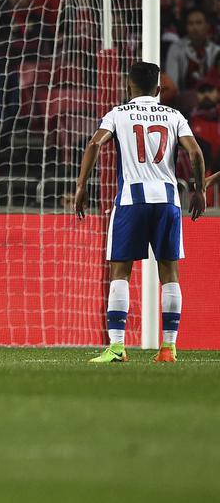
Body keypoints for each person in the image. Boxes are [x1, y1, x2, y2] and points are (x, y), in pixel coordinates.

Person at [73, 62, 207, 364]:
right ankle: (168, 348)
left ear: (127, 87)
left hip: (131, 201)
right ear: (158, 89)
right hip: (167, 200)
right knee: (170, 275)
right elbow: (195, 152)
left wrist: (81, 186)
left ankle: (118, 347)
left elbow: (95, 144)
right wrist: (199, 189)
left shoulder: (118, 114)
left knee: (120, 272)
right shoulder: (174, 115)